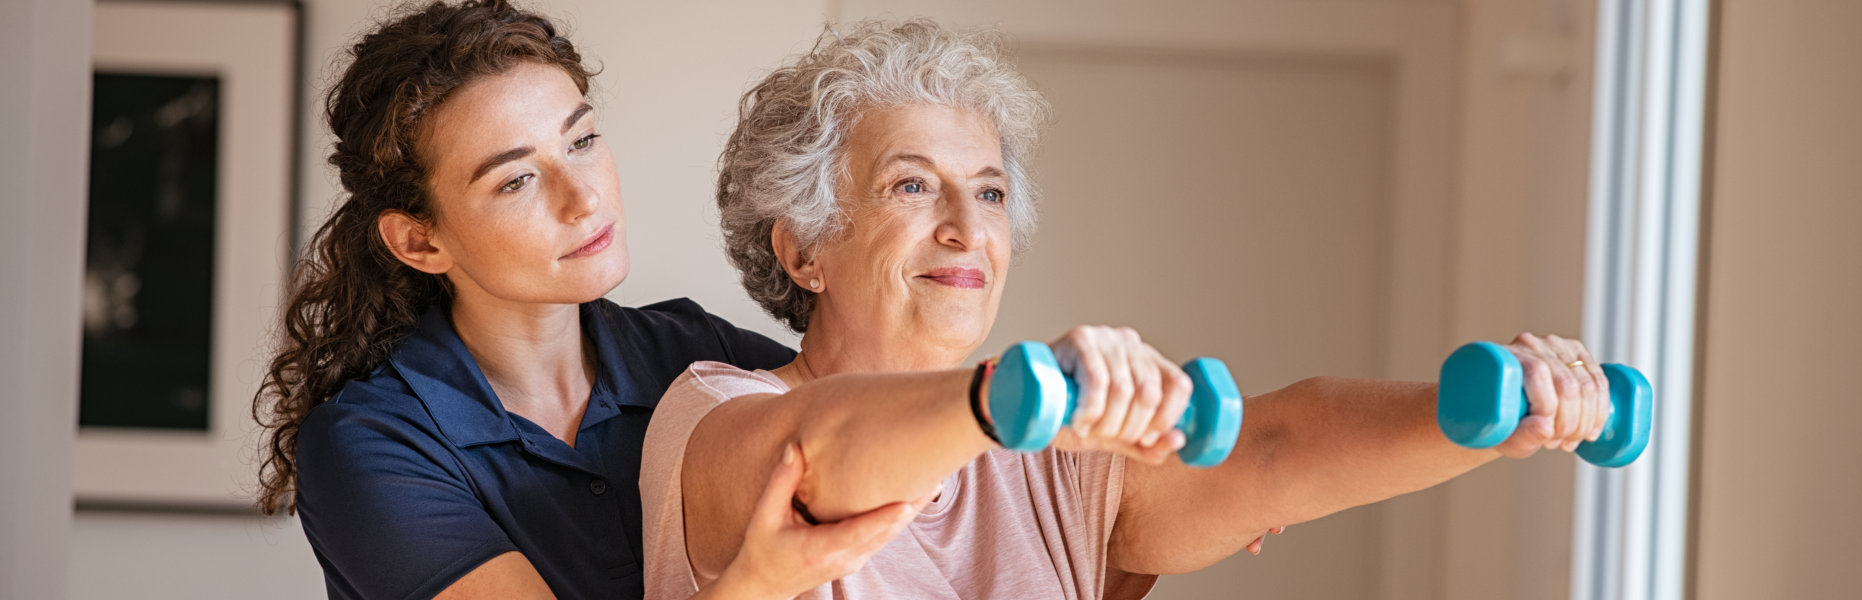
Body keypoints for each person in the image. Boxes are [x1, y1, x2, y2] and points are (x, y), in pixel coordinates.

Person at [641, 20, 1613, 599]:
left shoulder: (1049, 456)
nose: (964, 228)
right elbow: (818, 457)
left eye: (986, 193)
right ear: (801, 247)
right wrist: (1015, 399)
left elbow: (1275, 449)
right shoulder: (713, 412)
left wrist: (1496, 414)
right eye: (910, 187)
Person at [251, 2, 919, 598]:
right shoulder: (372, 442)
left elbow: (868, 437)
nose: (585, 197)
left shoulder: (699, 356)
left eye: (583, 141)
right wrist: (758, 585)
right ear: (420, 242)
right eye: (516, 181)